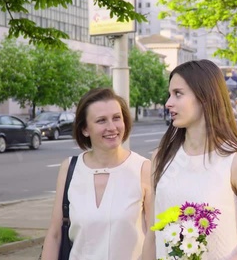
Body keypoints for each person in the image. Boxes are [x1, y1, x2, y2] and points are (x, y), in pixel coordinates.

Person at [147, 60, 237, 260]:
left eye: (178, 94)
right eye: (170, 94)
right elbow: (152, 237)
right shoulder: (160, 158)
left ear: (205, 97)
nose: (168, 103)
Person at [41, 88, 153, 260]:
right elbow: (55, 234)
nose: (112, 127)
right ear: (85, 129)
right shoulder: (70, 168)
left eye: (117, 118)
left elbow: (154, 236)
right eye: (101, 121)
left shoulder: (143, 169)